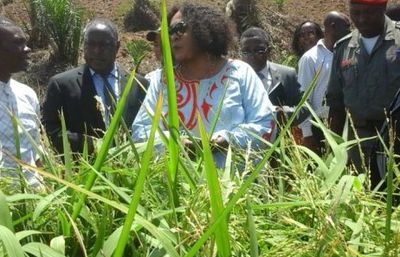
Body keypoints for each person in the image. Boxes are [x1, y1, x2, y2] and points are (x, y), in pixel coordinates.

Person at [132, 3, 276, 167]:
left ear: (204, 27)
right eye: (170, 31)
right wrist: (174, 142)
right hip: (177, 188)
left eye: (180, 28)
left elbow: (266, 125)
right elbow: (140, 133)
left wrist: (226, 140)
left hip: (235, 187)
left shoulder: (240, 72)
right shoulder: (162, 80)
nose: (174, 37)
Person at [42, 18, 149, 154]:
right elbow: (51, 129)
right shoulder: (62, 85)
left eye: (104, 45)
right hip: (83, 171)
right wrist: (93, 146)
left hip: (132, 169)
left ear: (117, 47)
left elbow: (148, 127)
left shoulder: (138, 84)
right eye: (90, 44)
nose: (97, 51)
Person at [326, 0, 400, 183]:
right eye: (356, 13)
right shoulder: (344, 48)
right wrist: (332, 150)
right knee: (362, 199)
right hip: (357, 142)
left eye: (369, 13)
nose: (361, 19)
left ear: (383, 9)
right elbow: (336, 103)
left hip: (395, 140)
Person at [297, 11, 350, 153]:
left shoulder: (347, 53)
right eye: (347, 28)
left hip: (344, 121)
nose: (350, 32)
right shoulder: (310, 58)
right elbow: (304, 98)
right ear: (333, 27)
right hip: (320, 125)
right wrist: (307, 133)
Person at [0, 16, 43, 189]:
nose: (27, 49)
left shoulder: (27, 94)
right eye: (18, 43)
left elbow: (37, 150)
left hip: (35, 199)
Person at [240, 27, 301, 108]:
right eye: (246, 51)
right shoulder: (232, 79)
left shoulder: (287, 75)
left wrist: (283, 113)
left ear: (268, 51)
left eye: (259, 50)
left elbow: (304, 108)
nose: (252, 56)